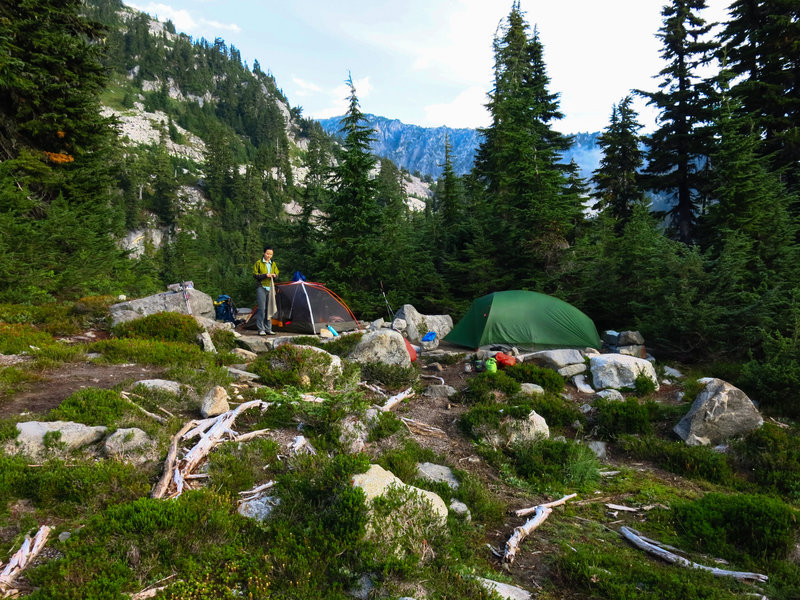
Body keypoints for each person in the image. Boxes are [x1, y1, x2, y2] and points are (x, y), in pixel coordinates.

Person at [252, 246, 279, 335]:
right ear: (264, 253)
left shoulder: (273, 263)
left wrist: (275, 275)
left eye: (270, 254)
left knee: (269, 308)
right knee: (262, 308)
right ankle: (261, 329)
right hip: (261, 287)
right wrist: (265, 275)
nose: (269, 256)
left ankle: (268, 328)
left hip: (270, 288)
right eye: (267, 254)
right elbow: (255, 275)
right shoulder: (259, 263)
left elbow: (277, 274)